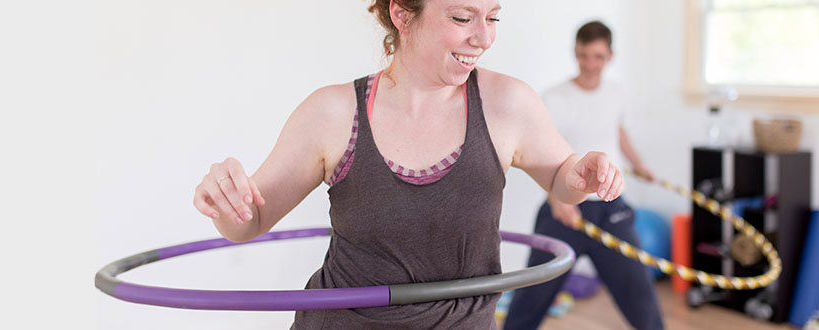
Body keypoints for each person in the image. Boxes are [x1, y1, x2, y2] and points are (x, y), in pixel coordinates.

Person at [190, 1, 626, 329]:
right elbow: (250, 221)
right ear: (401, 13)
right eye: (462, 18)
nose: (484, 37)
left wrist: (579, 173)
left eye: (492, 17)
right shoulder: (332, 113)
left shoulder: (508, 103)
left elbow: (560, 176)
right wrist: (226, 201)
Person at [503, 21, 664, 330]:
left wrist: (638, 163)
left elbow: (616, 133)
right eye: (583, 55)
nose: (590, 64)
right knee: (532, 297)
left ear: (610, 56)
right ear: (575, 53)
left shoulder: (617, 94)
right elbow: (540, 155)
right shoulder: (554, 98)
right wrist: (557, 199)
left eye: (598, 57)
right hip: (564, 207)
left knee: (638, 289)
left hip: (609, 207)